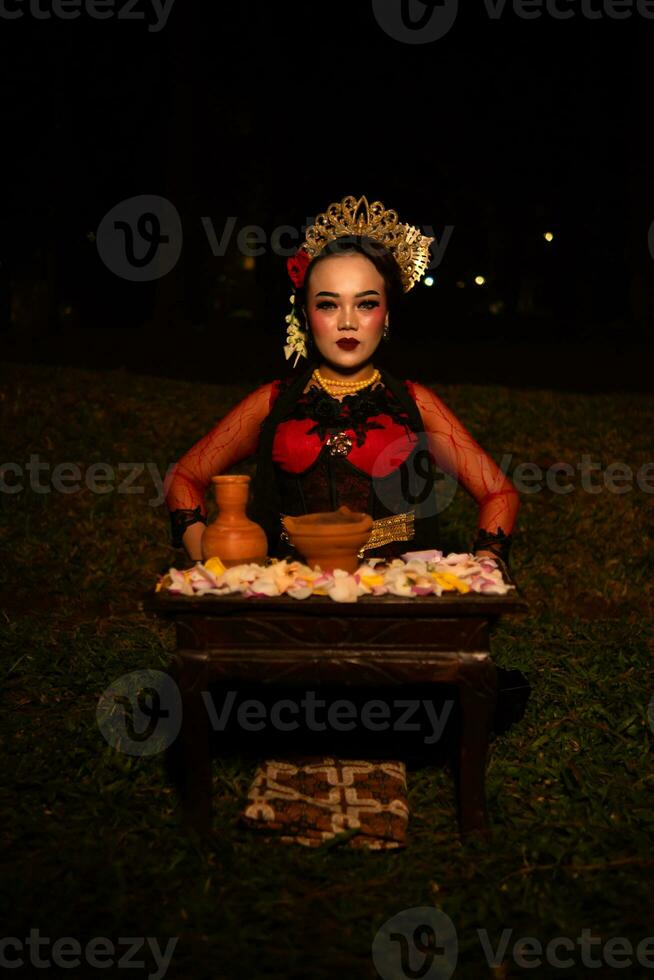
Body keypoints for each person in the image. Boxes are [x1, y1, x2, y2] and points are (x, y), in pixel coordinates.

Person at [165, 195, 519, 574]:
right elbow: (184, 477)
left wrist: (483, 571)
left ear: (386, 315)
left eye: (365, 304)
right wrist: (209, 561)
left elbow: (499, 492)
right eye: (328, 304)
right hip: (290, 597)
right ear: (305, 314)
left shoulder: (416, 404)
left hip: (393, 602)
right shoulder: (273, 402)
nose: (347, 321)